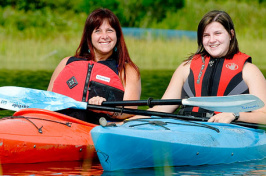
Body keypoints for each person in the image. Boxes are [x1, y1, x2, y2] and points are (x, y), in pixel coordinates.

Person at [131, 10, 266, 124]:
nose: (212, 40)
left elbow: (264, 115)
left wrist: (235, 115)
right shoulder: (186, 67)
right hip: (188, 129)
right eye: (206, 35)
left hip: (231, 133)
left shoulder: (249, 71)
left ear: (231, 35)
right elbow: (163, 109)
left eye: (217, 33)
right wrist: (127, 122)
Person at [47, 8, 141, 124]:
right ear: (89, 36)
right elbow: (48, 101)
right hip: (63, 125)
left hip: (102, 127)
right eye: (98, 31)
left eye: (110, 30)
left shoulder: (127, 70)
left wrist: (108, 110)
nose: (104, 36)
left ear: (117, 35)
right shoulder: (66, 63)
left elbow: (130, 110)